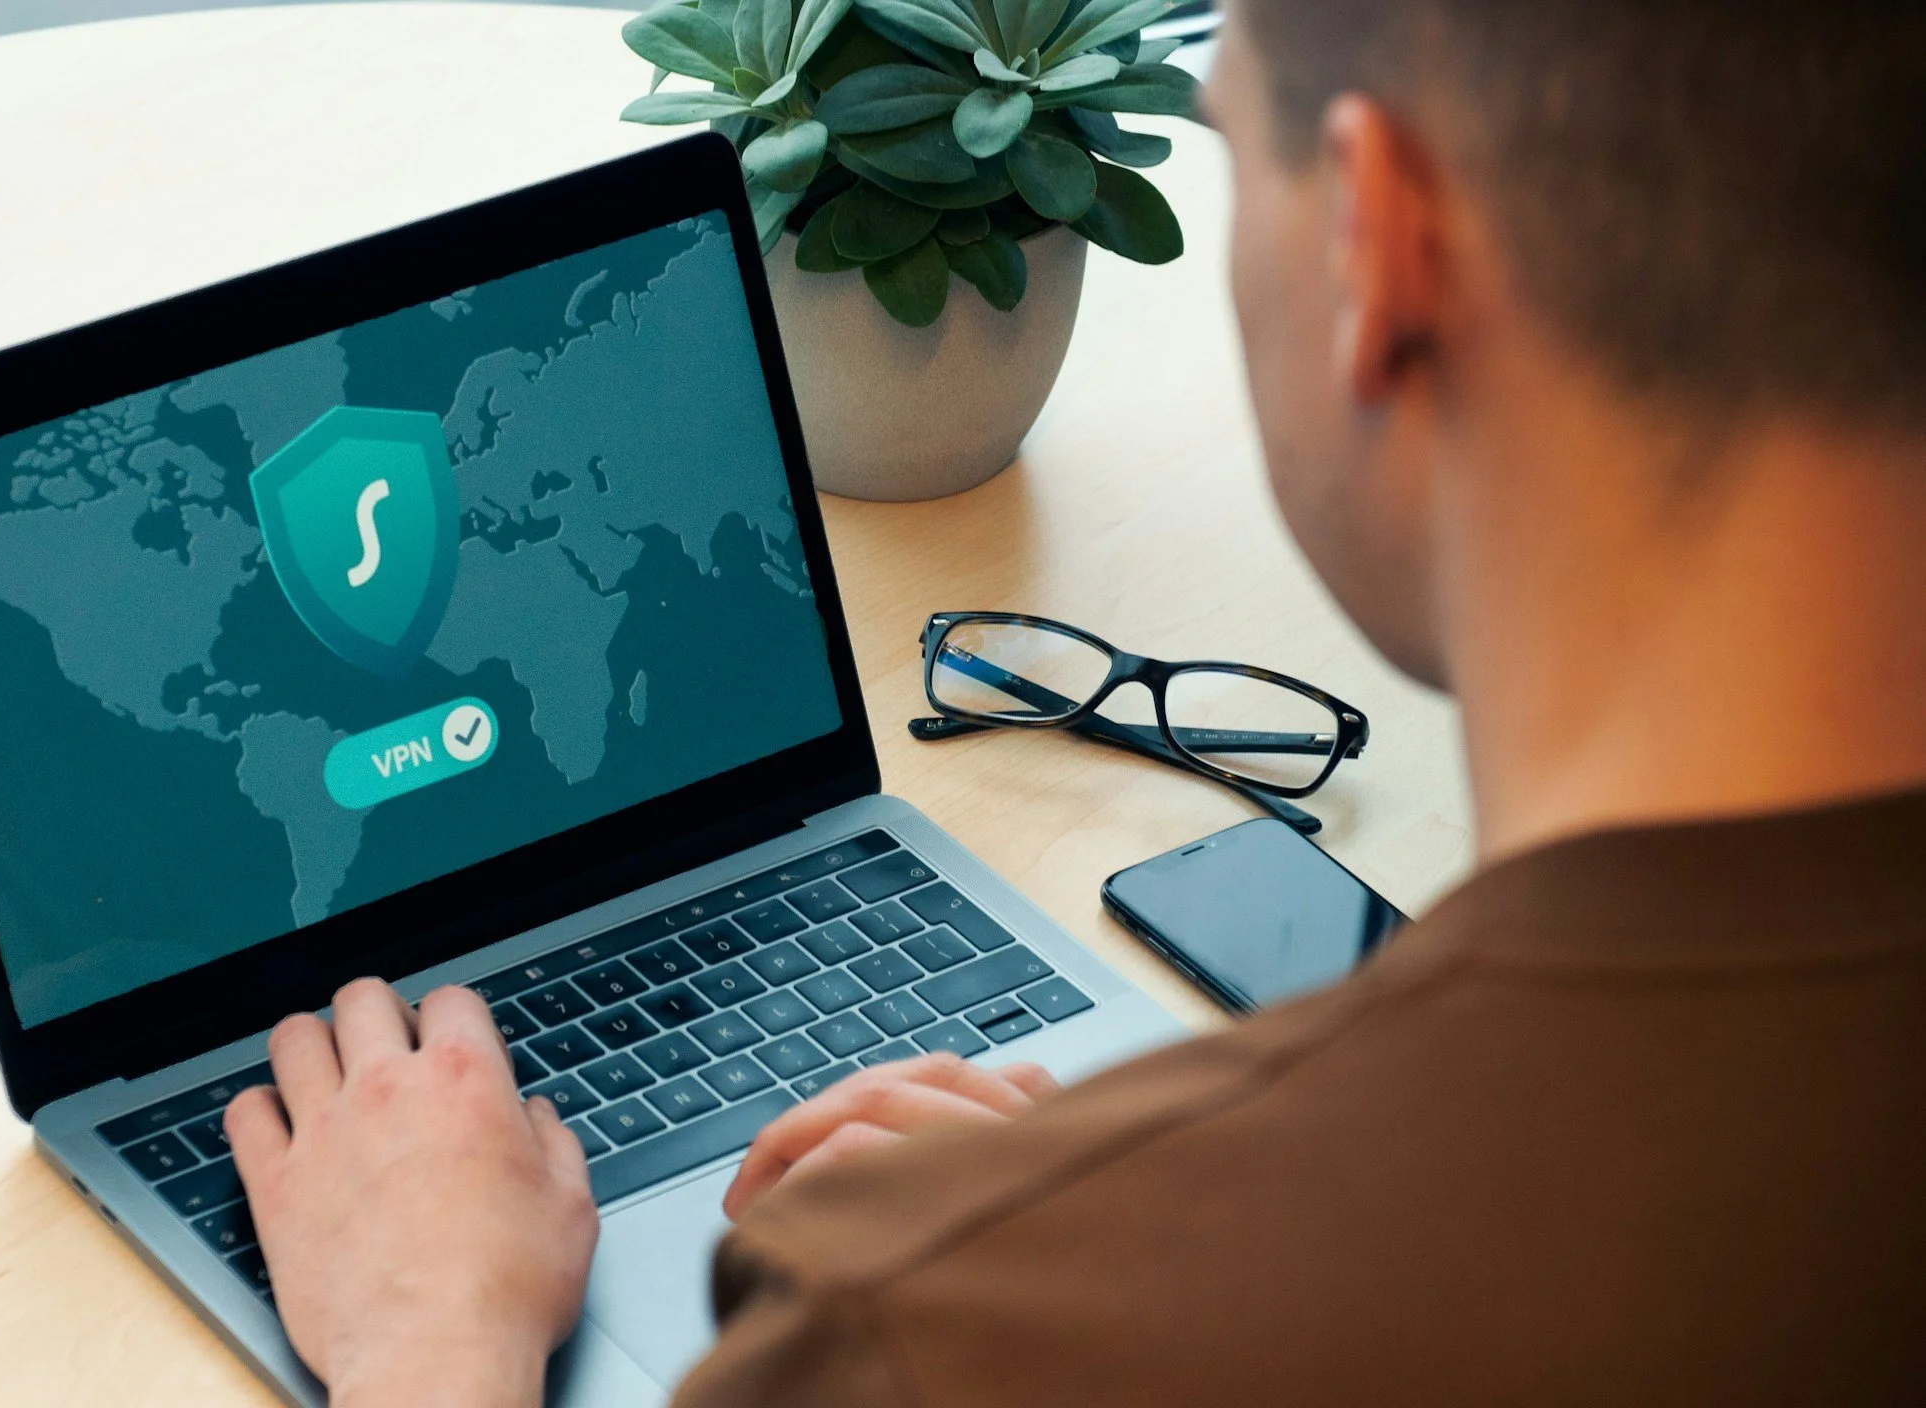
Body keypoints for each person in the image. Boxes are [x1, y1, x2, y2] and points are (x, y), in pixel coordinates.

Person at [219, 0, 1926, 1401]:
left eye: (1230, 144)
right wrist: (1142, 1212)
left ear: (1382, 245)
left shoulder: (924, 1334)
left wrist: (427, 1343)